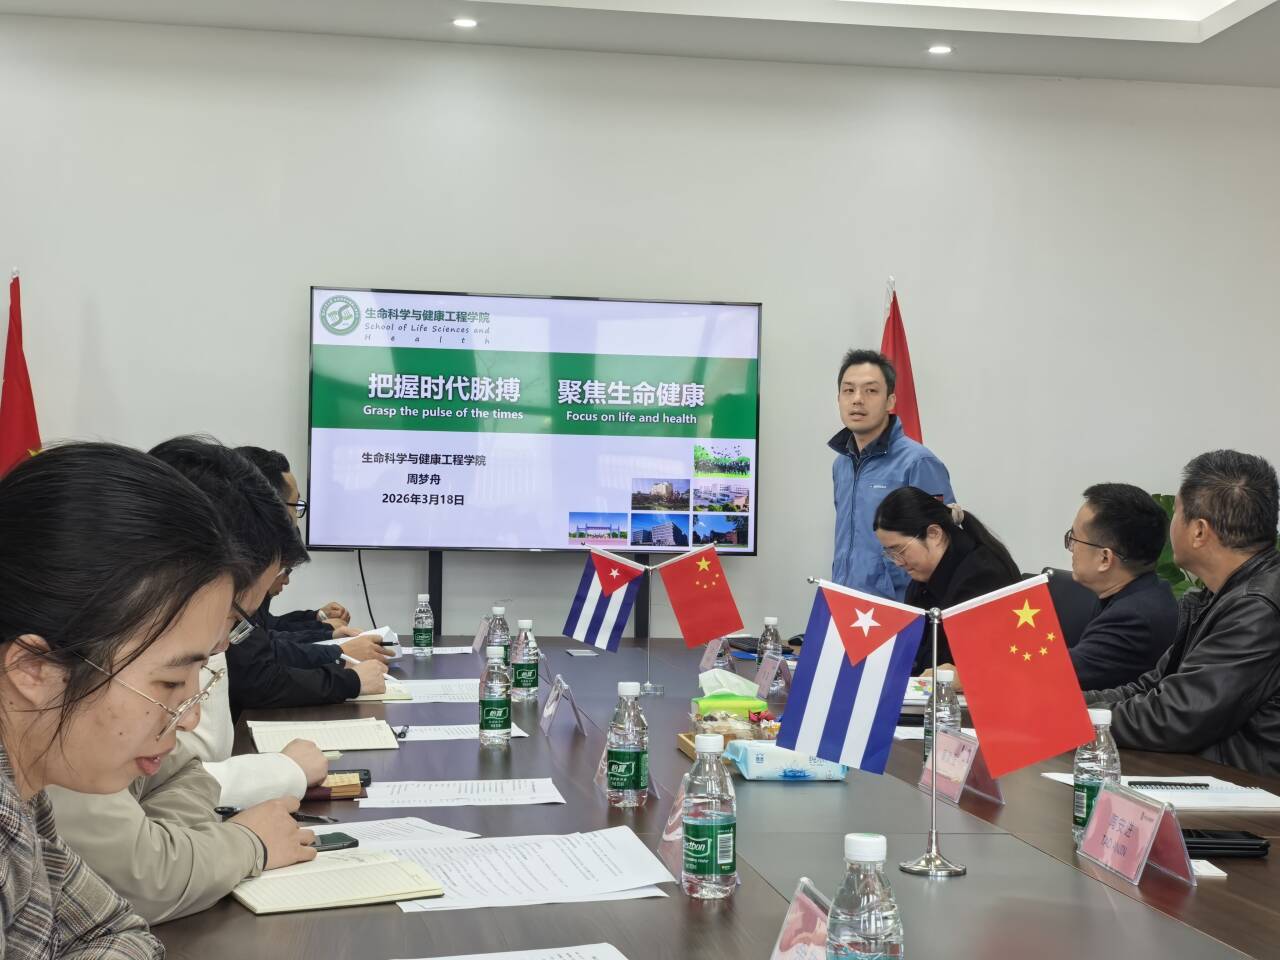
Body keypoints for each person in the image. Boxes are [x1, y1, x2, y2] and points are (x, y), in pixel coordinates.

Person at [47, 440, 325, 923]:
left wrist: (172, 838)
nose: (225, 643)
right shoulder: (67, 693)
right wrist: (246, 844)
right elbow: (141, 881)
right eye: (236, 616)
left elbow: (185, 774)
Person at [0, 443, 233, 957]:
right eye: (170, 683)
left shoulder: (26, 796)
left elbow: (116, 931)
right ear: (33, 669)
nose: (190, 716)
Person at [1087, 450, 1280, 776]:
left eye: (1176, 512)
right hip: (1203, 775)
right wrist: (1061, 706)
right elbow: (1150, 688)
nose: (1171, 524)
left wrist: (1068, 719)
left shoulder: (1258, 608)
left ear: (1199, 531)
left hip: (1246, 793)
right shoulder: (1219, 595)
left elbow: (1175, 716)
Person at [830, 349, 954, 600]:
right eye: (849, 390)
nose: (857, 399)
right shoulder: (841, 464)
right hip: (847, 604)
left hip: (899, 608)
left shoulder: (918, 463)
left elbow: (941, 548)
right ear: (839, 398)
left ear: (890, 401)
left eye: (870, 390)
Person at [873, 486, 1021, 675]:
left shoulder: (984, 576)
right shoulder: (922, 578)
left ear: (934, 534)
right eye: (890, 554)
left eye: (900, 550)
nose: (897, 562)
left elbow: (978, 664)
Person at [1064, 483, 1177, 689]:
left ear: (1105, 558)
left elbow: (1056, 676)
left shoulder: (1134, 619)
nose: (1071, 548)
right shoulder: (1146, 592)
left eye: (1074, 539)